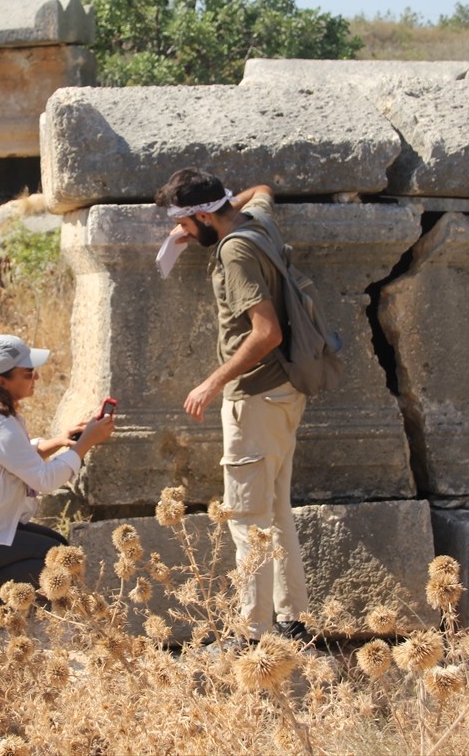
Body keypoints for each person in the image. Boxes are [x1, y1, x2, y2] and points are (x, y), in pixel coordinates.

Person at [154, 168, 316, 646]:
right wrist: (201, 218)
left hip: (256, 398)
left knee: (247, 519)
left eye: (185, 225)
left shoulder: (236, 250)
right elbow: (262, 190)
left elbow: (267, 332)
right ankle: (292, 620)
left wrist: (210, 383)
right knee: (276, 509)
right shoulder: (256, 223)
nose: (182, 235)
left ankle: (251, 636)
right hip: (286, 392)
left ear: (205, 215)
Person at [0, 334, 115, 610]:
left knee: (58, 545)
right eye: (27, 374)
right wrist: (87, 443)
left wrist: (61, 441)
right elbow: (46, 479)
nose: (35, 378)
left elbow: (15, 456)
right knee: (55, 564)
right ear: (2, 381)